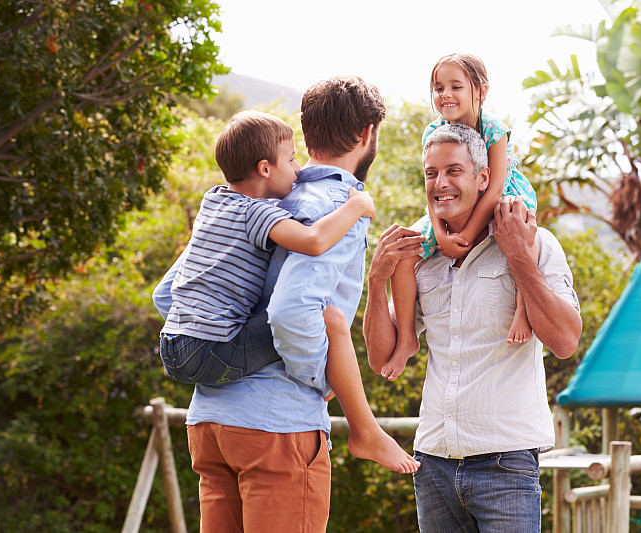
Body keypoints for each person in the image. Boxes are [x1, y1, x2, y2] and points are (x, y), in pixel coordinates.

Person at [153, 77, 418, 533]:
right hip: (276, 426)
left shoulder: (243, 200)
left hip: (210, 424)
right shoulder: (338, 205)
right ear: (367, 134)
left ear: (306, 132)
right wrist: (324, 376)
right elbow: (290, 313)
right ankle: (366, 430)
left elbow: (168, 294)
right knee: (330, 321)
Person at [363, 123, 582, 533]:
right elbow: (380, 357)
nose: (440, 183)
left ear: (484, 178)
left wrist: (518, 257)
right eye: (431, 173)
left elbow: (566, 341)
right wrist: (377, 281)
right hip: (431, 463)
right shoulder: (421, 254)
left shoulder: (536, 241)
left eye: (453, 171)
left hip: (506, 464)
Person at [159, 110, 376, 388]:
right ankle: (336, 390)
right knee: (321, 322)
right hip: (213, 352)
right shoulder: (256, 213)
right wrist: (357, 206)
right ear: (264, 169)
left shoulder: (212, 201)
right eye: (290, 159)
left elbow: (163, 294)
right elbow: (313, 241)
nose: (299, 169)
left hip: (171, 344)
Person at [382, 52, 539, 381]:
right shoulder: (433, 132)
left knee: (522, 229)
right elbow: (431, 188)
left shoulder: (494, 130)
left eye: (456, 86)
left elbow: (493, 187)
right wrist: (440, 236)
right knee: (405, 252)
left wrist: (466, 234)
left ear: (480, 90)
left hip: (499, 195)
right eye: (439, 88)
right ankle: (408, 337)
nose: (446, 95)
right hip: (452, 205)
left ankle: (523, 313)